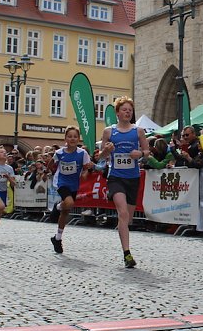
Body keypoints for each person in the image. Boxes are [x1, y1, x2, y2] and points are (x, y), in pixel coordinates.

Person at [98, 96, 149, 268]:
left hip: (133, 178)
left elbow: (148, 151)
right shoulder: (109, 131)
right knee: (123, 213)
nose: (127, 112)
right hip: (116, 177)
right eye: (124, 110)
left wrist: (140, 154)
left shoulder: (139, 131)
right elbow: (100, 157)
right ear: (117, 112)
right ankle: (127, 253)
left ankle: (122, 232)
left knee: (128, 218)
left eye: (130, 110)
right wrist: (106, 150)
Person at [49, 126, 93, 254]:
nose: (72, 139)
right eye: (70, 136)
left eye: (75, 136)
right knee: (69, 203)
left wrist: (86, 171)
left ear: (78, 139)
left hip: (74, 184)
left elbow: (86, 169)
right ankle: (57, 206)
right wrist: (51, 170)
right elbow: (51, 163)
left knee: (66, 211)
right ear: (65, 138)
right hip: (61, 182)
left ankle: (57, 238)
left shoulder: (82, 153)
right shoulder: (59, 153)